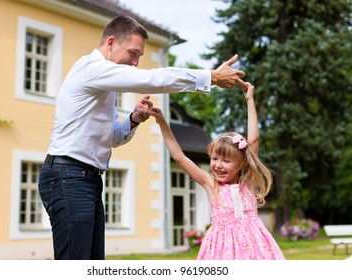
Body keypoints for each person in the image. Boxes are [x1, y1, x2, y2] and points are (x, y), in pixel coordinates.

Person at [38, 14, 246, 260]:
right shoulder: (91, 69)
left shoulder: (103, 86)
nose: (136, 62)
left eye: (140, 56)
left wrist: (133, 119)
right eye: (133, 53)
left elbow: (113, 137)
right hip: (68, 176)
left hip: (86, 179)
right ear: (111, 42)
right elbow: (152, 79)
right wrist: (210, 77)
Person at [151, 82, 285, 260]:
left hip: (255, 250)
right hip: (222, 252)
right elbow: (180, 157)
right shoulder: (211, 183)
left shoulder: (248, 183)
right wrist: (162, 123)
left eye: (226, 160)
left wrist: (250, 99)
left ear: (242, 163)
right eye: (215, 159)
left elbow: (253, 140)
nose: (218, 165)